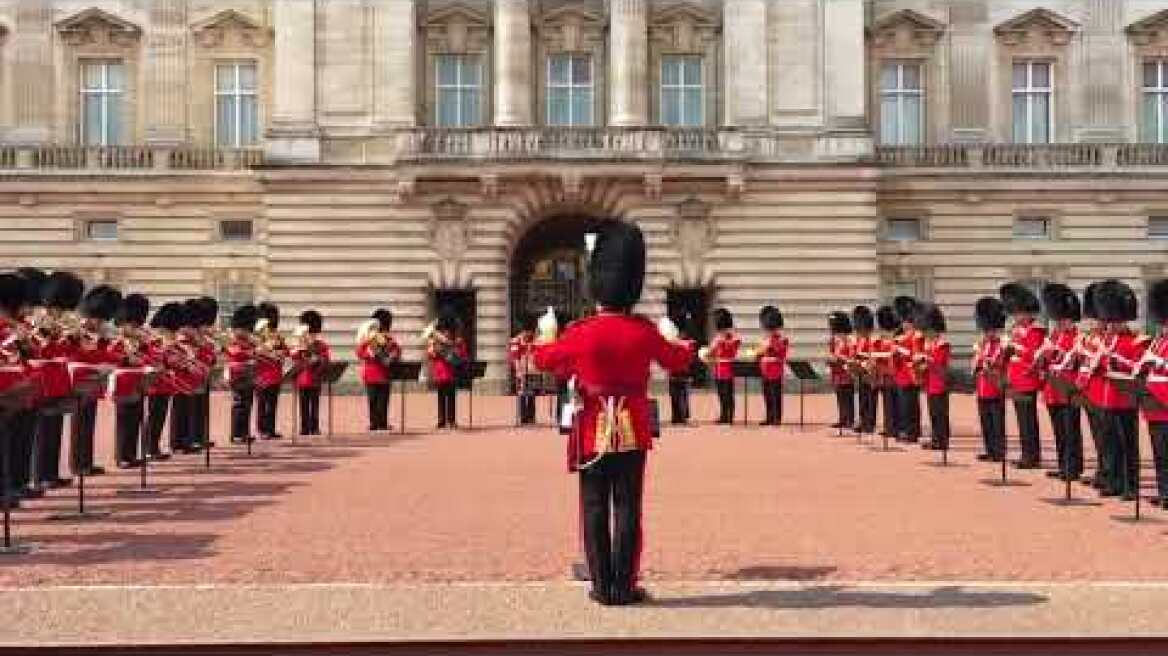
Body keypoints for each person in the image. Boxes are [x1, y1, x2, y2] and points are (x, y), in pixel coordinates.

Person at [532, 221, 694, 606]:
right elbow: (678, 360)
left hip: (590, 425)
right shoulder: (643, 331)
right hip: (633, 425)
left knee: (592, 506)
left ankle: (602, 586)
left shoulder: (580, 331)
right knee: (628, 507)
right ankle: (625, 584)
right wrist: (675, 339)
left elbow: (542, 359)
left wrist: (548, 333)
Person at [1093, 279, 1148, 501]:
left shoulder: (1136, 341)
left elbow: (1137, 368)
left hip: (1125, 399)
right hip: (1108, 398)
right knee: (1111, 444)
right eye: (1110, 322)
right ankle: (1114, 482)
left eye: (1115, 322)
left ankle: (1131, 486)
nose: (1111, 326)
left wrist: (1114, 359)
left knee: (1128, 445)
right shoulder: (1109, 339)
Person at [33, 271, 84, 489]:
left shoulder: (62, 319)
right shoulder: (39, 319)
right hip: (43, 380)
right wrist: (50, 335)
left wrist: (71, 339)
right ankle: (39, 475)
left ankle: (51, 473)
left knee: (55, 429)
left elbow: (69, 354)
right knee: (42, 431)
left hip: (59, 379)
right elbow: (38, 352)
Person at [999, 283, 1046, 468]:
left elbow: (1033, 355)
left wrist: (1015, 347)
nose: (1017, 317)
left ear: (1028, 313)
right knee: (1021, 420)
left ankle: (1032, 456)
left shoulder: (1036, 331)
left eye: (1019, 314)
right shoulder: (1016, 331)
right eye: (1016, 314)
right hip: (1016, 380)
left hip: (1028, 380)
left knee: (1028, 421)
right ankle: (1026, 453)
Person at [1040, 283, 1084, 482]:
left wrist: (1055, 353)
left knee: (1071, 430)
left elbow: (1074, 361)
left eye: (1062, 320)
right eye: (1058, 320)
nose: (1059, 323)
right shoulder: (1053, 336)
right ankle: (1062, 465)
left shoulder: (1077, 337)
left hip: (1068, 390)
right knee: (1059, 431)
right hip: (1053, 389)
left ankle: (1073, 467)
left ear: (1070, 319)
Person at [111, 293, 151, 468]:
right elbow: (112, 356)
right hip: (123, 382)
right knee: (124, 419)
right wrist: (127, 360)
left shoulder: (138, 338)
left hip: (138, 380)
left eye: (136, 323)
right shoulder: (117, 338)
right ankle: (121, 456)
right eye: (132, 323)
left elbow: (147, 356)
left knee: (136, 418)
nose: (135, 326)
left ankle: (131, 453)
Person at [143, 302, 183, 461]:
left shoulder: (168, 339)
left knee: (159, 417)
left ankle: (154, 446)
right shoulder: (155, 340)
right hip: (155, 383)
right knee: (154, 417)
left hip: (165, 384)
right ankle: (149, 448)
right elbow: (155, 359)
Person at [1141, 278, 1168, 509]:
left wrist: (1159, 361)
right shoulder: (1158, 342)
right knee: (1159, 453)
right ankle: (1163, 492)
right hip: (1153, 400)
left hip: (1166, 400)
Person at [972, 297, 1008, 462]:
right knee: (986, 421)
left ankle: (999, 451)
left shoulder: (1001, 344)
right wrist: (977, 358)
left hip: (995, 386)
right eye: (986, 331)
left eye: (990, 331)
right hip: (982, 387)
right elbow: (976, 366)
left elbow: (998, 363)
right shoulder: (983, 345)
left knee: (997, 422)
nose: (987, 334)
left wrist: (984, 358)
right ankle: (990, 449)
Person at [357, 309, 401, 431]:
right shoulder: (369, 338)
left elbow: (397, 350)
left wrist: (392, 356)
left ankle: (383, 422)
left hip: (384, 372)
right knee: (372, 400)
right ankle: (374, 423)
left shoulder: (389, 338)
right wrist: (371, 353)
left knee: (383, 400)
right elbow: (360, 352)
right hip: (372, 372)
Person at [916, 303, 950, 451]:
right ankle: (935, 439)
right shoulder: (930, 345)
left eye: (927, 331)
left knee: (941, 414)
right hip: (930, 383)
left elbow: (939, 365)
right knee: (933, 414)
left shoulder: (943, 344)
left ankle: (942, 440)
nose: (925, 334)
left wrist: (927, 361)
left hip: (940, 384)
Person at [427, 311, 468, 429]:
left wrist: (456, 350)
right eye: (445, 330)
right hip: (440, 371)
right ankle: (441, 420)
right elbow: (430, 355)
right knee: (441, 397)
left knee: (451, 397)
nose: (447, 332)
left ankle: (451, 420)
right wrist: (435, 351)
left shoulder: (457, 341)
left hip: (451, 371)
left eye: (448, 330)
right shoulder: (435, 341)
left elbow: (463, 355)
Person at [224, 304, 259, 445]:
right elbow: (234, 353)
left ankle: (244, 432)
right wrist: (250, 354)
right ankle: (236, 434)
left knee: (247, 403)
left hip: (249, 373)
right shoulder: (233, 338)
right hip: (237, 373)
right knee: (239, 404)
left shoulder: (248, 339)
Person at [253, 302, 289, 440]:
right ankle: (262, 429)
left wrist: (280, 352)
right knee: (262, 403)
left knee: (273, 402)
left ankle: (271, 428)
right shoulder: (257, 335)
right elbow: (255, 353)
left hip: (275, 373)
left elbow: (286, 351)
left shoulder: (277, 335)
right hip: (262, 373)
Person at [292, 310, 330, 436]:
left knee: (315, 404)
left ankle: (314, 427)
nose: (311, 336)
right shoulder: (299, 344)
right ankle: (304, 427)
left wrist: (318, 359)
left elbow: (326, 359)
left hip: (315, 378)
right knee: (303, 405)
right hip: (303, 378)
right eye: (309, 334)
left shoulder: (321, 345)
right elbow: (294, 358)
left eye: (312, 334)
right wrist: (300, 349)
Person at [892, 296, 923, 442]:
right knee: (904, 406)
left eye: (906, 322)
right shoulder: (901, 336)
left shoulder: (916, 336)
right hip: (901, 375)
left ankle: (913, 432)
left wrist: (900, 349)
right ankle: (905, 429)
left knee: (911, 406)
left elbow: (915, 355)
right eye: (903, 322)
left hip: (911, 375)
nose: (904, 325)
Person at [706, 308, 739, 425]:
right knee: (729, 392)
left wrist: (707, 354)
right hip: (729, 365)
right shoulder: (734, 336)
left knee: (723, 392)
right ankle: (729, 416)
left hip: (722, 365)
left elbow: (711, 351)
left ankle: (725, 416)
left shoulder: (719, 338)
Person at [756, 305, 788, 427]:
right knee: (767, 394)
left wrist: (769, 344)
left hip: (775, 368)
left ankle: (777, 417)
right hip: (764, 368)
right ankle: (769, 416)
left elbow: (780, 352)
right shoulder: (765, 338)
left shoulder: (781, 339)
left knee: (775, 394)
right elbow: (760, 351)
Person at [873, 305, 900, 438]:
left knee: (894, 401)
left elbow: (894, 354)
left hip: (894, 372)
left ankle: (895, 427)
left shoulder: (895, 337)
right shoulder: (883, 337)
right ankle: (889, 425)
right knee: (887, 401)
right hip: (884, 372)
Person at [666, 311, 696, 425]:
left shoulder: (682, 342)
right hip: (680, 369)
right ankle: (678, 416)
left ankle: (680, 416)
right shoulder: (685, 341)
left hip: (679, 369)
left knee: (679, 393)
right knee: (678, 393)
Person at [826, 311, 855, 431]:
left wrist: (840, 358)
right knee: (840, 395)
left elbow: (852, 357)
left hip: (846, 371)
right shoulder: (834, 340)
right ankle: (842, 418)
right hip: (837, 371)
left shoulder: (849, 339)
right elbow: (832, 354)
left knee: (847, 396)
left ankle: (850, 419)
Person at [851, 306, 877, 433]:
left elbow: (872, 356)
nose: (859, 331)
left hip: (869, 372)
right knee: (862, 397)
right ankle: (862, 419)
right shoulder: (859, 340)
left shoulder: (871, 340)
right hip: (861, 372)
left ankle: (869, 423)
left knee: (871, 399)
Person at [509, 315, 538, 425]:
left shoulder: (535, 340)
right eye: (527, 332)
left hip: (532, 370)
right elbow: (514, 357)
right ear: (523, 331)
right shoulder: (516, 341)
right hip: (521, 370)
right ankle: (523, 417)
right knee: (522, 394)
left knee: (531, 394)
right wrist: (519, 372)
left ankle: (531, 417)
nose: (529, 335)